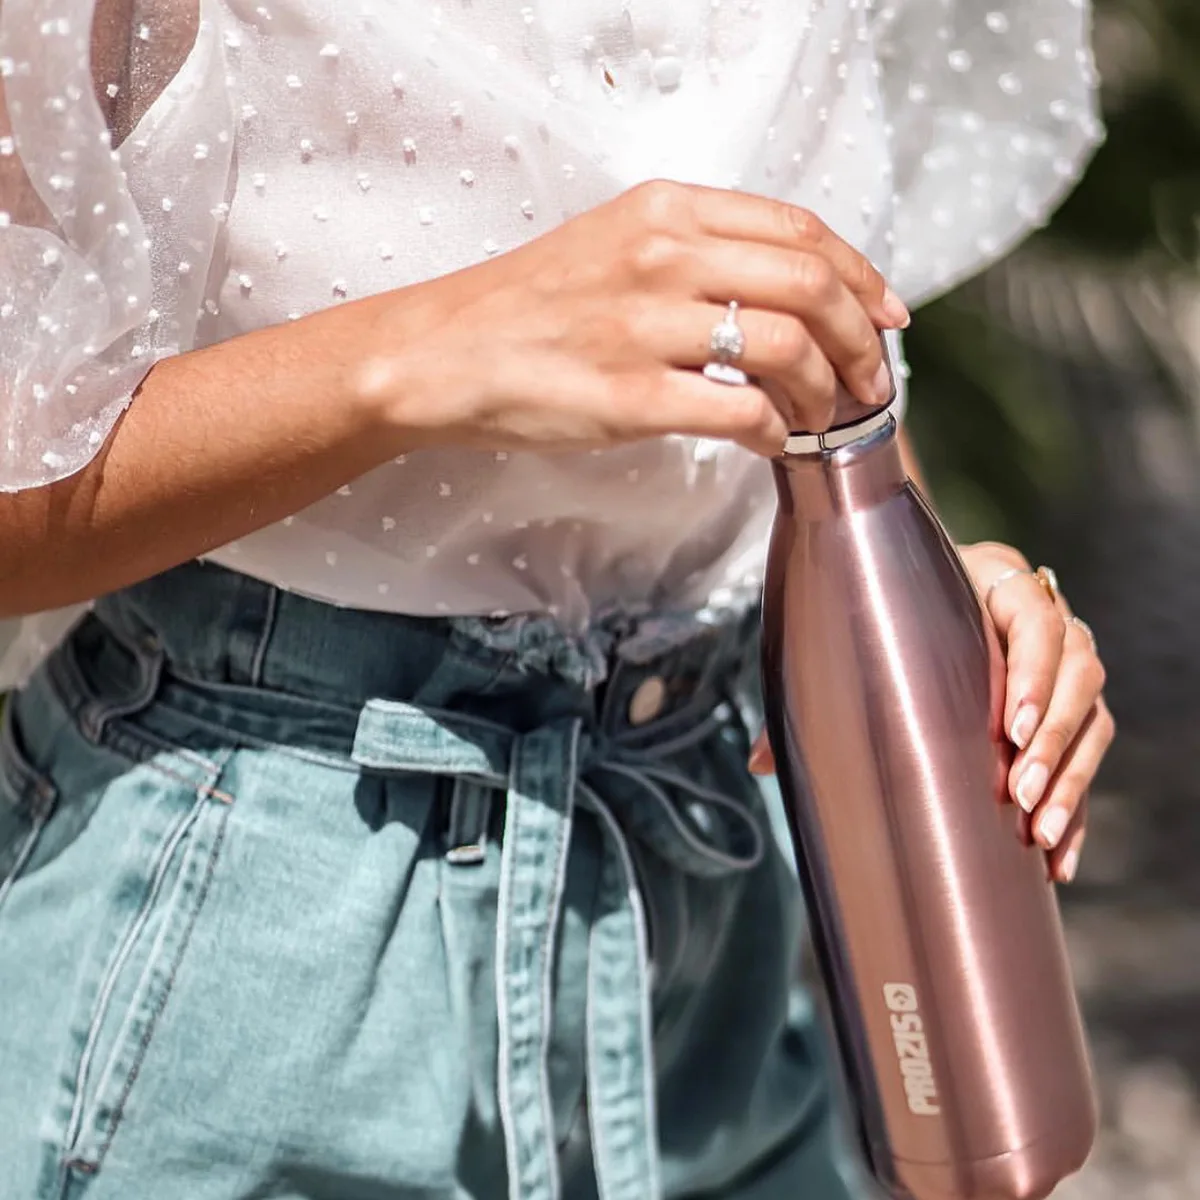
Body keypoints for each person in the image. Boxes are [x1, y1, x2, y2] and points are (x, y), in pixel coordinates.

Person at [0, 1, 1113, 1197]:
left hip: (715, 937)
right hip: (260, 952)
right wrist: (424, 351)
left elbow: (824, 356)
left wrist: (921, 582)